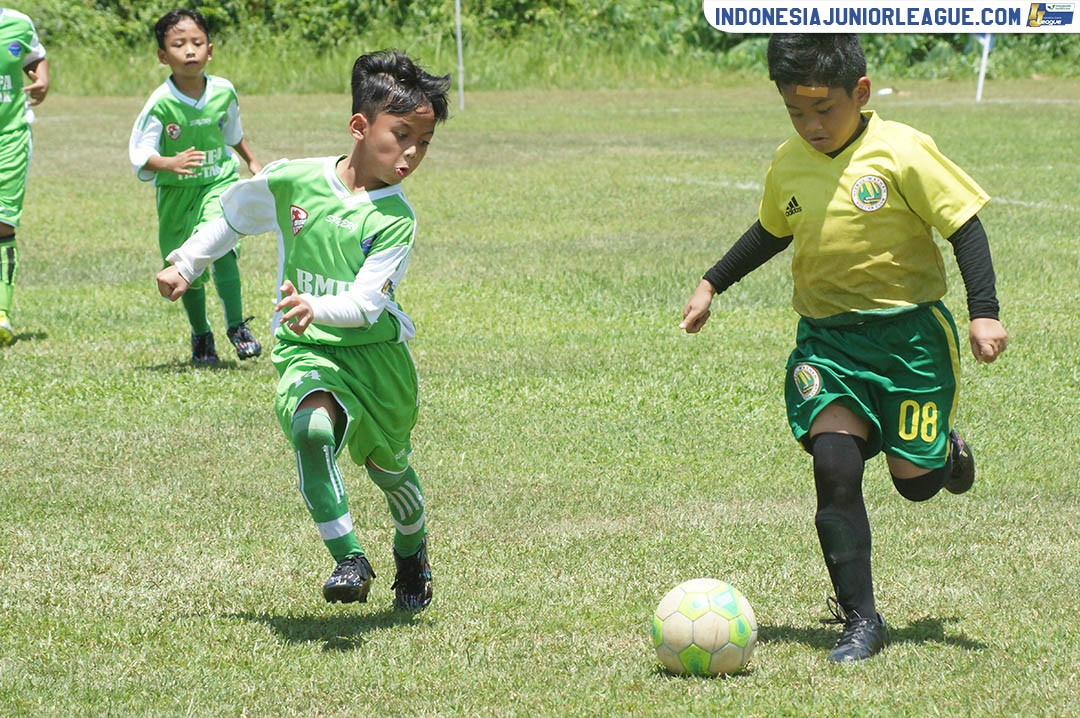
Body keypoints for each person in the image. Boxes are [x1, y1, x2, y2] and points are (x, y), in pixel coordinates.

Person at [680, 34, 1007, 663]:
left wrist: (983, 314)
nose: (811, 125)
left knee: (915, 485)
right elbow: (772, 230)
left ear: (860, 93)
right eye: (795, 113)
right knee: (834, 467)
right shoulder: (790, 161)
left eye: (824, 109)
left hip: (909, 341)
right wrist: (712, 281)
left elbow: (964, 222)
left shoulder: (903, 150)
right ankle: (861, 620)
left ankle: (944, 450)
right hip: (827, 343)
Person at [156, 49, 450, 610]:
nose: (411, 153)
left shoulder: (395, 218)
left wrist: (318, 304)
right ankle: (348, 557)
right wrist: (187, 264)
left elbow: (366, 305)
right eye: (401, 134)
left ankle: (411, 551)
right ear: (360, 127)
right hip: (305, 348)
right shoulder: (296, 179)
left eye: (423, 142)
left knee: (390, 472)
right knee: (312, 431)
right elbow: (234, 216)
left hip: (374, 359)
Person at [129, 8, 262, 364]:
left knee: (221, 246)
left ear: (210, 50)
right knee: (183, 264)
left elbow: (232, 133)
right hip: (176, 194)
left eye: (197, 42)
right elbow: (140, 155)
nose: (189, 51)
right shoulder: (161, 104)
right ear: (162, 55)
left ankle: (237, 324)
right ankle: (201, 335)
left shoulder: (224, 93)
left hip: (219, 183)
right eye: (178, 44)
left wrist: (251, 160)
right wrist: (169, 163)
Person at [0, 7, 49, 345]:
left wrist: (41, 77)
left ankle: (1, 312)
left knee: (2, 222)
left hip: (10, 137)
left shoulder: (17, 22)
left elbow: (35, 56)